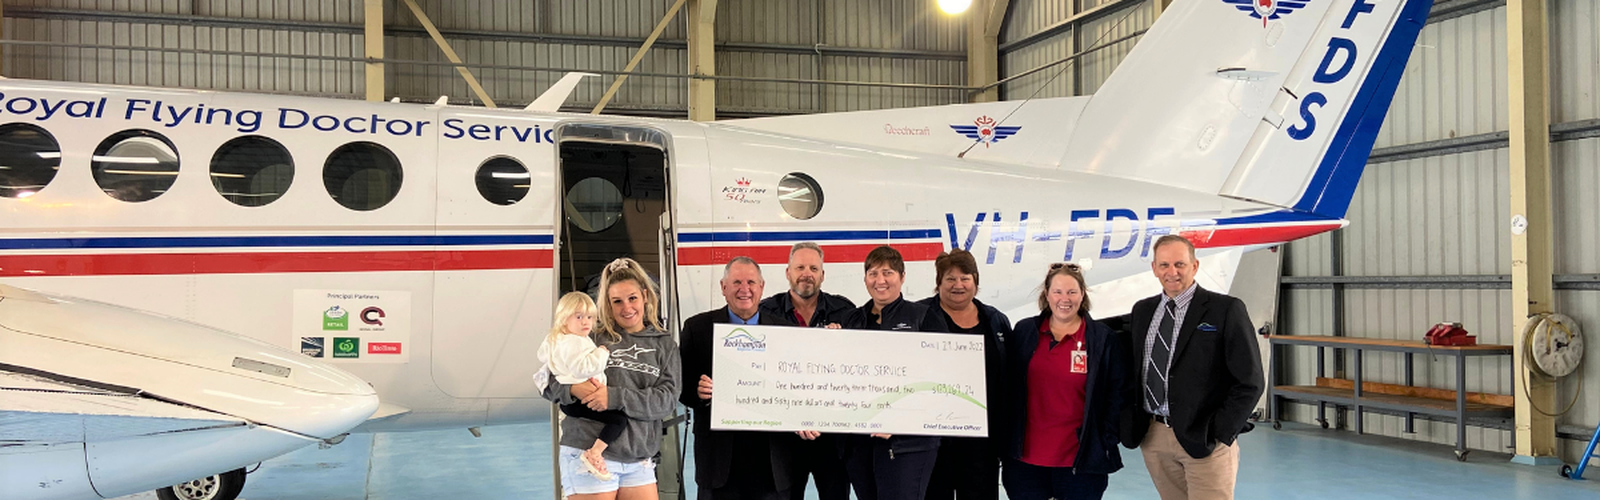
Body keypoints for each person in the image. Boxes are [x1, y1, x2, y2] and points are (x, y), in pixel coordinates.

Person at [1120, 235, 1263, 500]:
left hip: (1205, 436)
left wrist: (1220, 431)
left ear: (1195, 266)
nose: (1171, 272)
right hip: (1155, 436)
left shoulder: (1225, 310)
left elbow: (1250, 380)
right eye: (1164, 265)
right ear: (1154, 269)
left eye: (1179, 264)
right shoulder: (1142, 311)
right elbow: (1134, 370)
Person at [543, 258, 682, 500]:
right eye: (616, 301)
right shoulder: (589, 336)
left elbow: (667, 401)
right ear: (607, 304)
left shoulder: (665, 345)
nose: (626, 307)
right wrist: (574, 389)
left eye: (632, 298)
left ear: (645, 296)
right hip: (587, 453)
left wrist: (614, 397)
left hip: (639, 458)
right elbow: (546, 382)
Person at [1001, 263, 1126, 500]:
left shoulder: (1102, 339)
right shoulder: (1025, 332)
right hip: (1025, 461)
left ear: (1082, 295)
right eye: (1057, 291)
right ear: (1046, 294)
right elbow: (1007, 388)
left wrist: (1105, 439)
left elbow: (1117, 394)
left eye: (1072, 292)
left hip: (1080, 462)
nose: (1064, 299)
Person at [679, 256, 799, 499]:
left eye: (751, 282)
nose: (744, 289)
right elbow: (680, 387)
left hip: (771, 460)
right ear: (723, 288)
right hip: (718, 460)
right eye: (736, 282)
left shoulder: (787, 331)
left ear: (762, 287)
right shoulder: (697, 328)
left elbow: (797, 388)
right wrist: (698, 392)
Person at [839, 245, 949, 500]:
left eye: (887, 272)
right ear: (865, 278)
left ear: (902, 276)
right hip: (860, 444)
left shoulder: (924, 318)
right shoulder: (851, 320)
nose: (880, 280)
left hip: (908, 445)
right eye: (873, 273)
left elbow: (940, 381)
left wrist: (902, 421)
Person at [758, 242, 854, 500]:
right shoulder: (766, 312)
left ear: (823, 275)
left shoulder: (845, 311)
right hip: (783, 434)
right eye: (800, 267)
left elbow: (856, 367)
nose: (806, 273)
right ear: (787, 272)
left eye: (814, 268)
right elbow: (758, 368)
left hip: (831, 434)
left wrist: (842, 343)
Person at [915, 249, 1009, 500]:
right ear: (939, 283)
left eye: (965, 278)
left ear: (975, 282)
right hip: (933, 440)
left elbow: (1007, 378)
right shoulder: (918, 317)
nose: (958, 285)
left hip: (982, 443)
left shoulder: (996, 320)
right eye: (950, 278)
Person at [536, 291, 623, 480]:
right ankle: (594, 453)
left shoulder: (556, 339)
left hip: (572, 401)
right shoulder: (574, 342)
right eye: (579, 317)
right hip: (580, 400)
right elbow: (582, 368)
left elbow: (543, 357)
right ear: (564, 318)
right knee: (619, 420)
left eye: (590, 317)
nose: (586, 322)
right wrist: (601, 353)